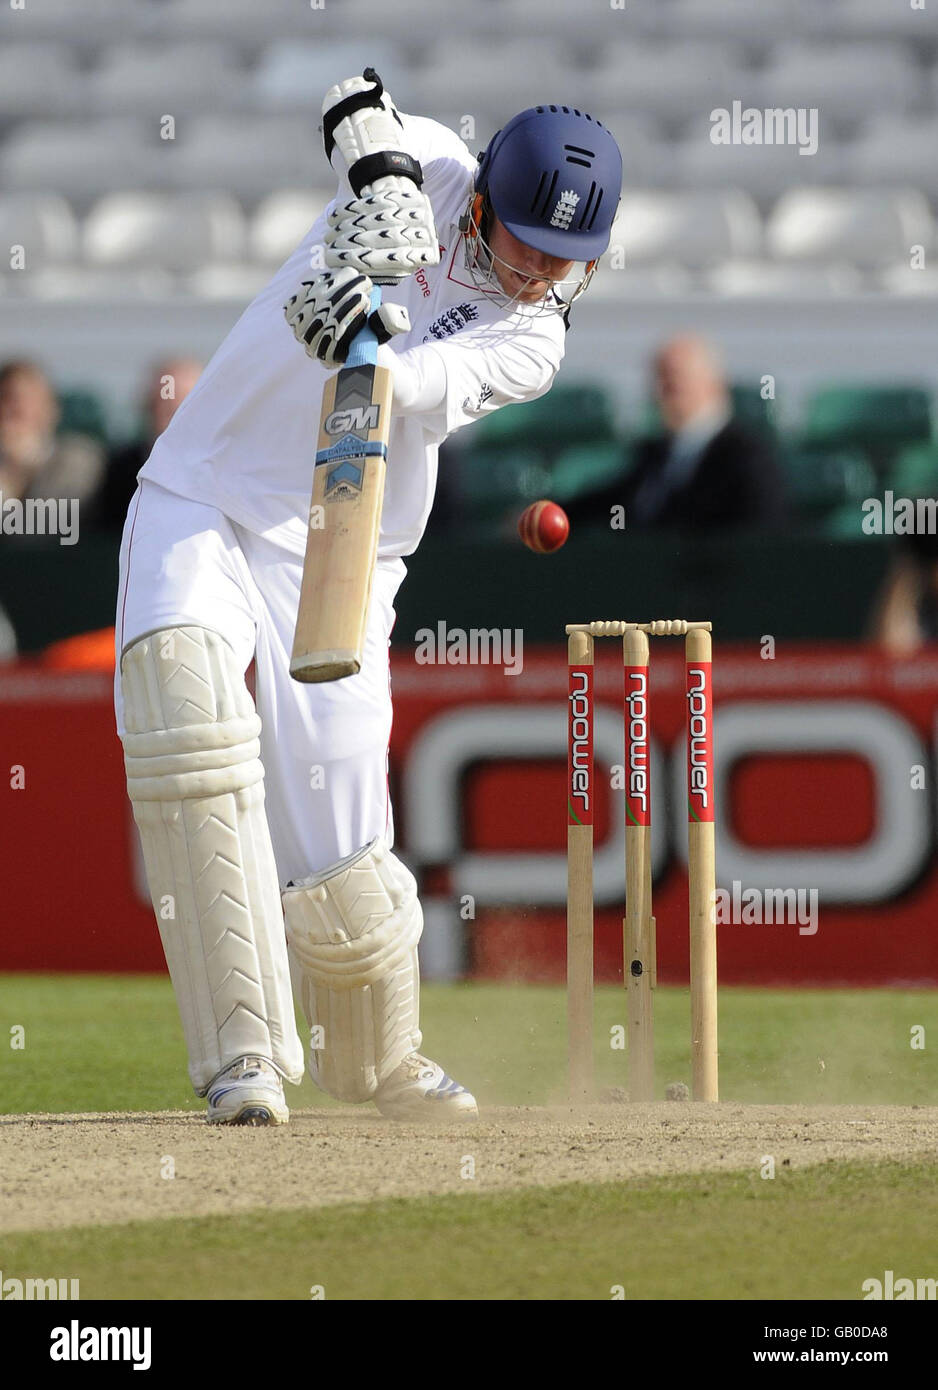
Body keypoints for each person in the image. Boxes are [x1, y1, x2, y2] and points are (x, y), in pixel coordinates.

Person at [114, 72, 622, 1125]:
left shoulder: (532, 343)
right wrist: (380, 197)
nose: (533, 276)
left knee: (339, 821)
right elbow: (353, 93)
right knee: (187, 713)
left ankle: (381, 1060)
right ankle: (243, 1058)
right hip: (204, 485)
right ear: (476, 200)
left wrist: (364, 331)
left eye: (559, 261)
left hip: (340, 540)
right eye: (521, 243)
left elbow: (398, 388)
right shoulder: (433, 161)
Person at [566, 335, 784, 530]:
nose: (663, 391)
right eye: (659, 379)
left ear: (713, 383)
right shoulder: (655, 456)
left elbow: (758, 535)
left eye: (674, 378)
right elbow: (611, 501)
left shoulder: (747, 458)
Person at [94, 358, 202, 530]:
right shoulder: (119, 472)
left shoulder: (221, 475)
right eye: (166, 408)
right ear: (148, 407)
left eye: (183, 408)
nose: (174, 420)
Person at [0, 360, 104, 513]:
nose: (10, 412)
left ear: (49, 409)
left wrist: (16, 470)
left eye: (21, 403)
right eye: (5, 400)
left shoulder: (78, 460)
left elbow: (49, 526)